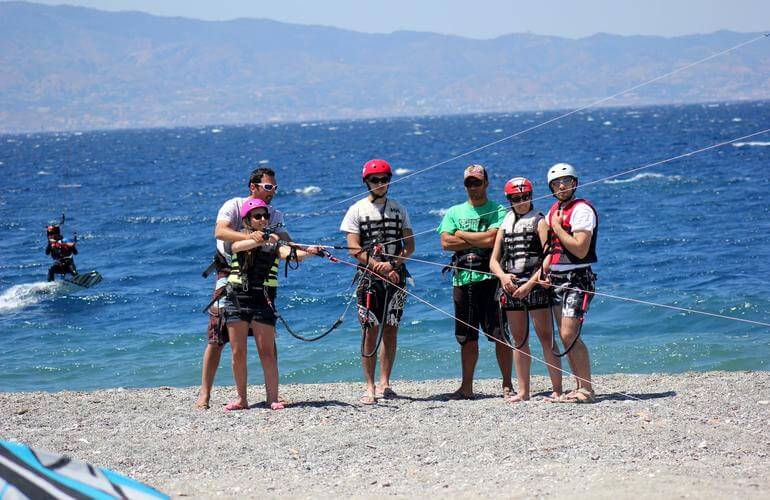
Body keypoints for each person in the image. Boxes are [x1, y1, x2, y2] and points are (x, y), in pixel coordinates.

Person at [195, 167, 290, 410]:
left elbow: (285, 241)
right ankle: (204, 395)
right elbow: (220, 231)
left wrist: (301, 248)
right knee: (217, 335)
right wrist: (252, 237)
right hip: (228, 274)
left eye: (275, 188)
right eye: (268, 187)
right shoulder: (234, 206)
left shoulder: (275, 214)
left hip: (259, 280)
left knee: (267, 341)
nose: (273, 192)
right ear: (253, 187)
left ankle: (273, 395)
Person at [220, 199, 317, 411]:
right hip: (238, 298)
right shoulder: (238, 239)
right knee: (238, 352)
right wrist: (261, 238)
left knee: (267, 351)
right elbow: (239, 246)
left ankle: (272, 398)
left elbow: (288, 254)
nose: (263, 219)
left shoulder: (274, 241)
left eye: (265, 216)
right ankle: (241, 399)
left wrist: (310, 251)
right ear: (247, 219)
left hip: (264, 298)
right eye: (257, 216)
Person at [340, 159, 415, 405]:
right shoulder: (356, 210)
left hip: (396, 277)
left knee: (391, 330)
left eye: (384, 179)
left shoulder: (399, 209)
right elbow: (353, 247)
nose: (380, 184)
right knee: (369, 331)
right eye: (375, 180)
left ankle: (385, 383)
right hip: (368, 279)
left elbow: (410, 246)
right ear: (366, 182)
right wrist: (377, 266)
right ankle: (369, 386)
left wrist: (392, 265)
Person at [438, 164, 512, 400]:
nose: (473, 187)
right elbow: (445, 242)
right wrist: (474, 240)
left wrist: (461, 235)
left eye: (477, 182)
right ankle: (466, 386)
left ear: (486, 183)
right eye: (469, 183)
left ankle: (507, 384)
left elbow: (492, 239)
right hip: (463, 280)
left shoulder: (498, 209)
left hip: (490, 280)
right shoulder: (453, 212)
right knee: (467, 337)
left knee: (499, 334)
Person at [489, 177, 563, 402]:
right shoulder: (505, 223)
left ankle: (557, 389)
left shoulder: (539, 221)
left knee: (545, 337)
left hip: (536, 285)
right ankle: (523, 391)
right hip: (511, 286)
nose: (522, 202)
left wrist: (531, 283)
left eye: (526, 197)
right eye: (517, 198)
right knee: (519, 338)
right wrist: (502, 277)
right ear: (509, 200)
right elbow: (494, 260)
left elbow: (549, 255)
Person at [543, 162, 598, 404]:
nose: (561, 185)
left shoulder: (582, 210)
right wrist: (542, 273)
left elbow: (580, 247)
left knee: (568, 333)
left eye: (566, 181)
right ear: (551, 187)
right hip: (555, 279)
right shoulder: (553, 209)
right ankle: (578, 386)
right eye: (556, 183)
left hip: (577, 279)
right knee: (565, 336)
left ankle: (587, 388)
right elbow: (550, 249)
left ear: (574, 184)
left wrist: (556, 226)